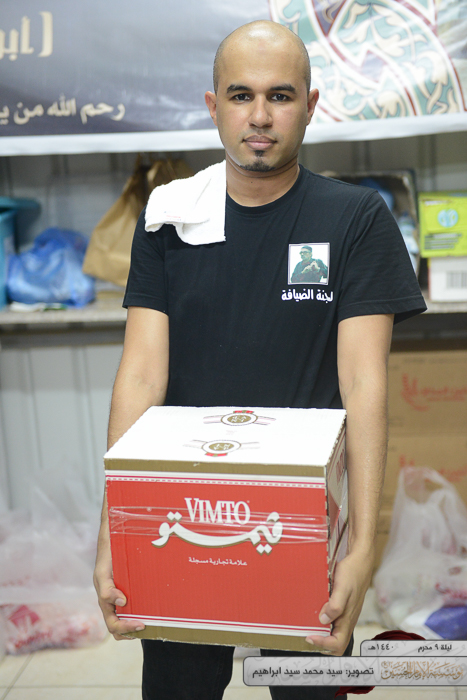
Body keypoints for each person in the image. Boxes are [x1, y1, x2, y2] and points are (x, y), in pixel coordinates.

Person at [94, 19, 426, 700]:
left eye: (280, 95)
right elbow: (141, 375)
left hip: (301, 522)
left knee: (307, 688)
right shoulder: (169, 218)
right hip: (184, 514)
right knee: (179, 689)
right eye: (241, 95)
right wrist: (113, 533)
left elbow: (362, 383)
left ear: (310, 104)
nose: (260, 116)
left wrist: (361, 548)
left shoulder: (355, 219)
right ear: (213, 106)